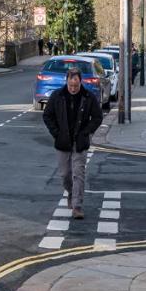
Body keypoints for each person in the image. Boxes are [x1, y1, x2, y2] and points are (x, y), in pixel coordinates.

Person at [42, 66, 103, 220]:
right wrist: (56, 133)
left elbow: (97, 117)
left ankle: (77, 206)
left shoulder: (88, 97)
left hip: (80, 142)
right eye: (70, 85)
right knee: (65, 175)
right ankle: (71, 193)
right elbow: (47, 115)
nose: (73, 88)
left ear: (80, 82)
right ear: (66, 82)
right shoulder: (58, 96)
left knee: (78, 174)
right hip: (63, 141)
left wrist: (87, 132)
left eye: (76, 85)